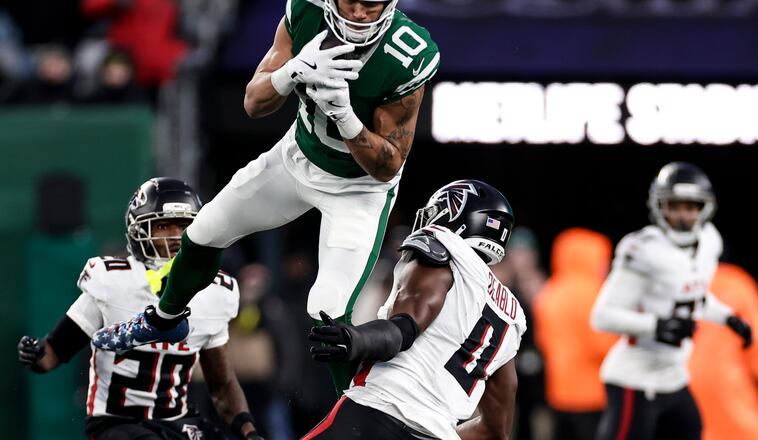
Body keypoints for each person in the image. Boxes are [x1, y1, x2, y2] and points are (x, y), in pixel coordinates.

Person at [92, 0, 440, 397]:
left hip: (357, 189)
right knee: (203, 232)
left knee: (327, 313)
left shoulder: (408, 53)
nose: (361, 14)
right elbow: (253, 103)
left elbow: (387, 166)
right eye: (352, 2)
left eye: (372, 4)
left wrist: (344, 114)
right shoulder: (306, 11)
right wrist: (291, 73)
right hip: (295, 158)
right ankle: (165, 316)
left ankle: (358, 415)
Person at [17, 177, 263, 440]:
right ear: (139, 231)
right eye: (163, 226)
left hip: (174, 421)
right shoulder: (112, 281)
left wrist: (249, 432)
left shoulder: (214, 293)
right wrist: (36, 353)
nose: (175, 236)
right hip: (115, 423)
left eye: (183, 226)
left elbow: (222, 386)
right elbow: (53, 352)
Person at [303, 179, 527, 439]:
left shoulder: (444, 249)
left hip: (377, 411)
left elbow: (404, 329)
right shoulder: (512, 315)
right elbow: (496, 430)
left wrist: (356, 340)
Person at [590, 162, 753, 440]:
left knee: (690, 429)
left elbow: (694, 297)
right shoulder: (644, 249)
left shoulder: (709, 241)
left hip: (674, 375)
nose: (682, 215)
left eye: (691, 206)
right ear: (658, 206)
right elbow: (602, 317)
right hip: (635, 378)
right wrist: (656, 326)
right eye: (674, 206)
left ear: (705, 208)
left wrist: (727, 317)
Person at [533, 228, 617, 440]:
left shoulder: (550, 291)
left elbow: (542, 341)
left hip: (558, 392)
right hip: (592, 394)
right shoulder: (593, 294)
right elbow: (601, 346)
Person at [689, 262, 758, 440]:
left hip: (682, 381)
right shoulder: (735, 282)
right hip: (728, 382)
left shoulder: (670, 281)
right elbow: (757, 333)